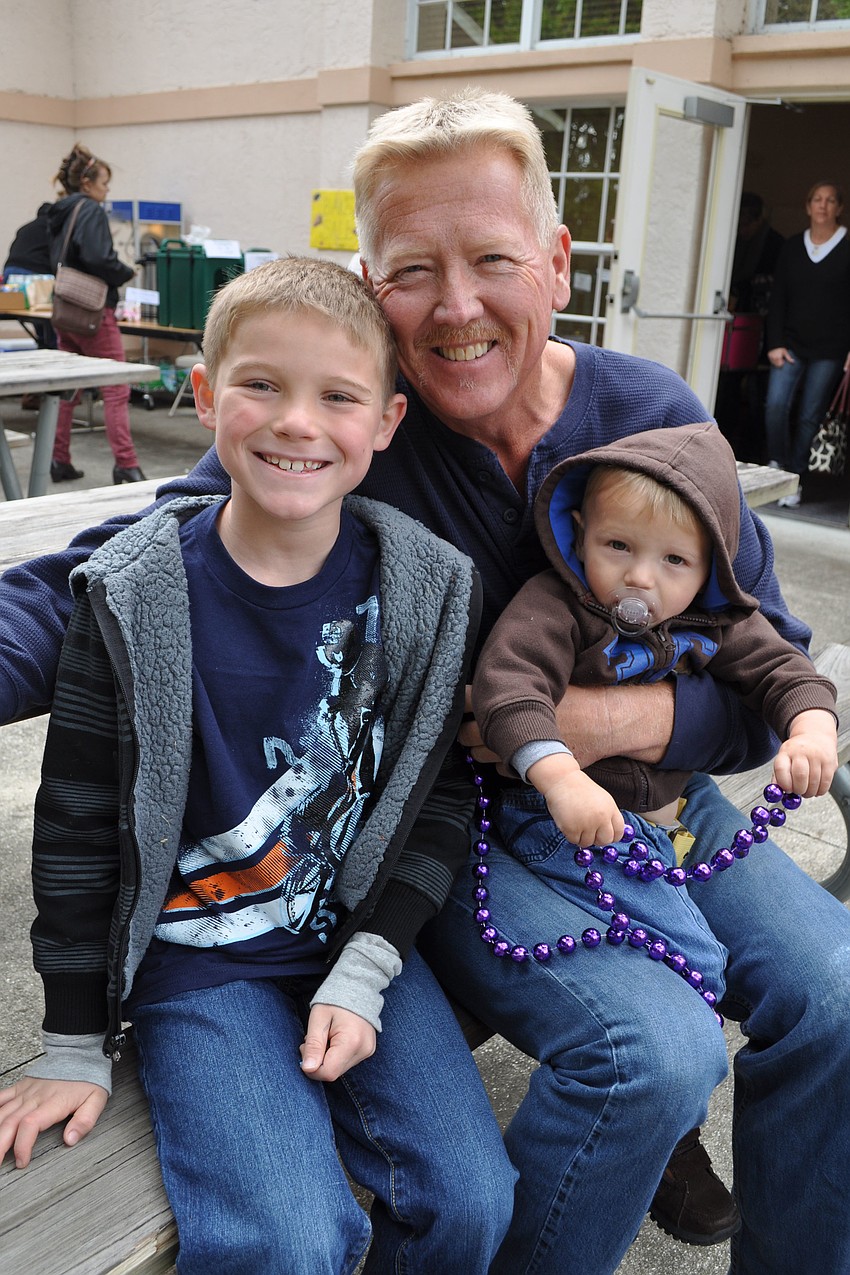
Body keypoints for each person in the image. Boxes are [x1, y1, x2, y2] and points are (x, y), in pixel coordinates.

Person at [1, 88, 850, 1274]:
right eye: (412, 270)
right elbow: (122, 570)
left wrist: (600, 719)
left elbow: (767, 664)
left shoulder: (650, 419)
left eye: (492, 258)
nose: (455, 305)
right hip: (467, 825)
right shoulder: (355, 433)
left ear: (556, 262)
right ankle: (622, 1161)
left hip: (657, 798)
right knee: (652, 1057)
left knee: (835, 992)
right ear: (372, 283)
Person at [0, 257, 515, 1274]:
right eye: (262, 385)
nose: (296, 423)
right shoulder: (129, 595)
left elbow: (438, 794)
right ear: (203, 395)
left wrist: (367, 966)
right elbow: (75, 824)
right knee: (289, 1239)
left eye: (338, 397)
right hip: (199, 968)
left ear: (387, 422)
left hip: (353, 945)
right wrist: (72, 1041)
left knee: (472, 1198)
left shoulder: (426, 590)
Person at [472, 421, 837, 961]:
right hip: (559, 813)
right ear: (580, 535)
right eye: (618, 545)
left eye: (674, 560)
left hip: (674, 807)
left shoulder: (713, 621)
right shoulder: (555, 606)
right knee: (693, 956)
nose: (641, 577)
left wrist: (811, 732)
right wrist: (561, 778)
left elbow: (785, 670)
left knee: (803, 965)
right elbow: (509, 687)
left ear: (710, 567)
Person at [45, 143, 146, 484]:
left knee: (67, 389)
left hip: (67, 311)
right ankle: (126, 465)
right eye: (104, 183)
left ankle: (58, 459)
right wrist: (124, 271)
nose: (107, 190)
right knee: (116, 389)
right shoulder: (90, 210)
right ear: (87, 183)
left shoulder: (61, 212)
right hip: (94, 313)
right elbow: (98, 257)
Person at [764, 180, 850, 505]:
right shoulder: (791, 247)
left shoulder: (847, 248)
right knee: (775, 405)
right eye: (817, 199)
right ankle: (778, 464)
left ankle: (795, 480)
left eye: (830, 200)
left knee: (809, 416)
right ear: (807, 206)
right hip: (790, 345)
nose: (823, 205)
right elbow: (778, 298)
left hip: (831, 350)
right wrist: (774, 342)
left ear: (839, 208)